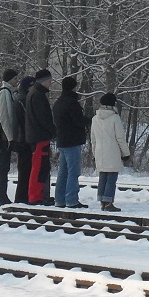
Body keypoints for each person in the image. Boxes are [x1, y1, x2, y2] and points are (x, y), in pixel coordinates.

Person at [53, 75, 90, 209]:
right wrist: (89, 120)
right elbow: (78, 121)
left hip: (62, 140)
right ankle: (71, 200)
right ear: (74, 87)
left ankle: (59, 199)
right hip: (72, 141)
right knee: (73, 172)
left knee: (63, 172)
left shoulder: (58, 102)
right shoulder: (72, 102)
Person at [90, 92, 131, 212]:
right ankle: (109, 202)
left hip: (99, 151)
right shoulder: (114, 118)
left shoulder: (94, 118)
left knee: (102, 177)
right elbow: (120, 138)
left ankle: (102, 201)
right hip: (112, 152)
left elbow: (93, 139)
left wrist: (94, 153)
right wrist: (125, 153)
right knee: (111, 178)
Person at [25, 69, 57, 205]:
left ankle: (37, 195)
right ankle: (35, 196)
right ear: (44, 80)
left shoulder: (33, 93)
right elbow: (43, 118)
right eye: (50, 80)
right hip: (40, 137)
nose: (51, 83)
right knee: (39, 168)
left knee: (39, 167)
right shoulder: (38, 95)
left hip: (36, 135)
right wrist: (53, 131)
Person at [0, 68, 21, 206]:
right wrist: (11, 138)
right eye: (15, 78)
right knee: (2, 168)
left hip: (5, 137)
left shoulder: (10, 92)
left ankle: (2, 197)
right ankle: (1, 198)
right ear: (9, 79)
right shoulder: (5, 93)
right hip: (3, 138)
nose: (17, 81)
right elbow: (5, 117)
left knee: (4, 168)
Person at [12, 75, 35, 205]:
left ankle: (22, 196)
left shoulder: (19, 99)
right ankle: (22, 197)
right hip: (24, 139)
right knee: (25, 170)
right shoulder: (24, 101)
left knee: (24, 169)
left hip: (20, 138)